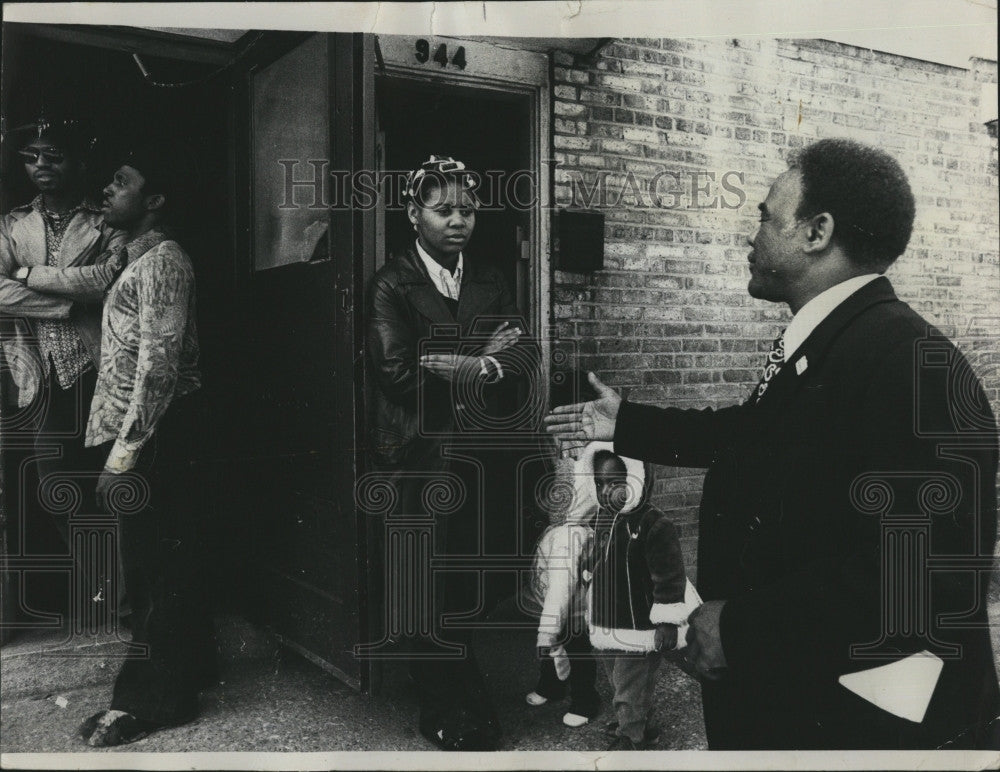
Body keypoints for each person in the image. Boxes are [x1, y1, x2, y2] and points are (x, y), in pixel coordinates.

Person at [544, 138, 1000, 750]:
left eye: (764, 215)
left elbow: (930, 575)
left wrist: (743, 629)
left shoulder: (916, 364)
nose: (749, 236)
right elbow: (757, 432)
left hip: (860, 726)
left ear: (817, 232)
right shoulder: (837, 339)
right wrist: (627, 424)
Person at [365, 155, 526, 751]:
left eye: (468, 209)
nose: (458, 220)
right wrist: (480, 357)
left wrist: (470, 362)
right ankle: (445, 706)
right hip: (414, 456)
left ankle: (454, 685)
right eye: (444, 209)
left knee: (458, 582)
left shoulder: (489, 279)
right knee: (419, 581)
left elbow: (519, 359)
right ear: (414, 215)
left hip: (476, 454)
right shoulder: (390, 283)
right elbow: (396, 374)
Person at [69, 147, 212, 746]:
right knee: (159, 566)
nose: (107, 189)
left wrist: (124, 454)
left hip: (156, 433)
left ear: (154, 201)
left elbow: (159, 366)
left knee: (155, 570)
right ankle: (186, 673)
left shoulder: (165, 261)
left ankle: (152, 702)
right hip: (145, 431)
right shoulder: (137, 256)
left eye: (121, 183)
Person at [0, 117, 126, 584]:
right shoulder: (12, 223)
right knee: (55, 487)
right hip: (43, 375)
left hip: (102, 366)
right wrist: (69, 303)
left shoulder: (106, 219)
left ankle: (133, 596)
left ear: (79, 161)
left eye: (53, 155)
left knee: (116, 485)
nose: (40, 165)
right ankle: (106, 586)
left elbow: (106, 280)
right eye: (31, 156)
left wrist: (27, 276)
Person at [585, 449, 694, 750]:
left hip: (640, 625)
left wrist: (668, 622)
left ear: (635, 478)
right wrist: (585, 569)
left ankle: (630, 738)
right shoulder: (602, 519)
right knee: (618, 679)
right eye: (599, 483)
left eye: (614, 482)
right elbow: (596, 558)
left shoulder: (652, 523)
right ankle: (643, 725)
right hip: (609, 620)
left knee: (630, 685)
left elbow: (669, 577)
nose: (606, 491)